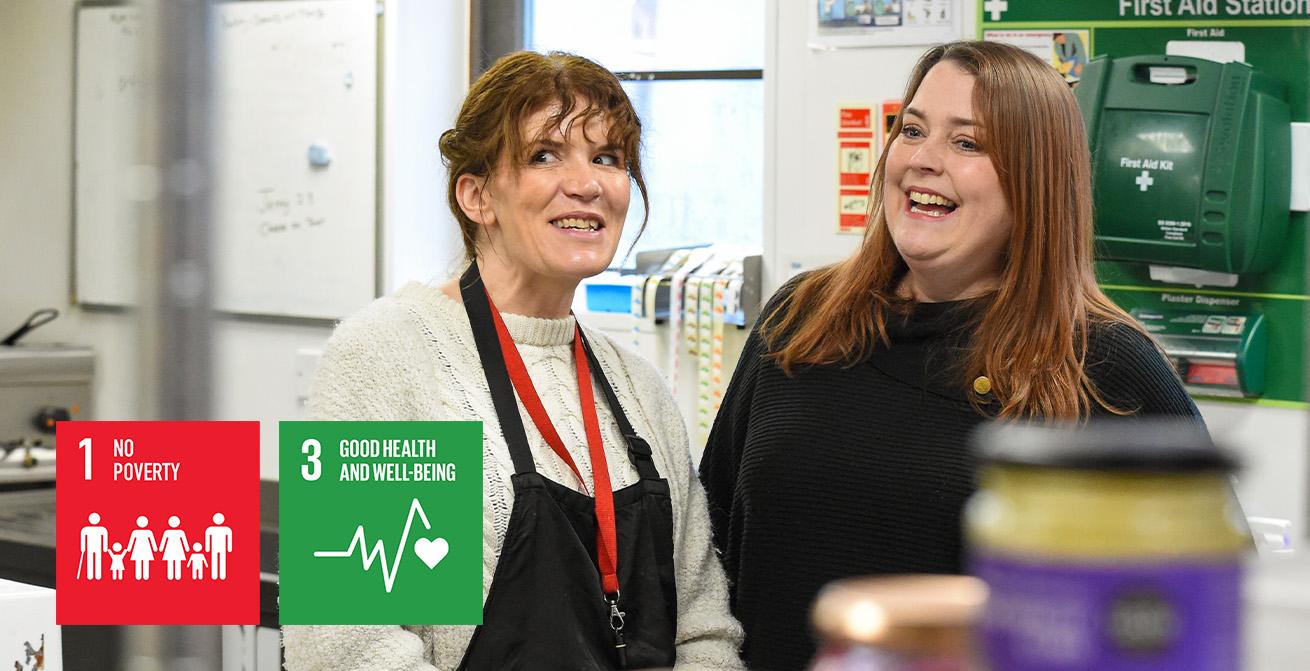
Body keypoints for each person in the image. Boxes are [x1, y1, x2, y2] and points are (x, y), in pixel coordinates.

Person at [698, 40, 1203, 671]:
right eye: (912, 130)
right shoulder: (801, 318)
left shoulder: (1102, 366)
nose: (921, 161)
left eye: (968, 143)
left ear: (1034, 182)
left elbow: (1189, 618)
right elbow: (706, 547)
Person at [283, 51, 744, 670]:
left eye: (607, 158)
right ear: (477, 196)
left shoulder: (640, 391)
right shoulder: (393, 357)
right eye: (544, 155)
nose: (587, 183)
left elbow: (703, 634)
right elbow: (349, 644)